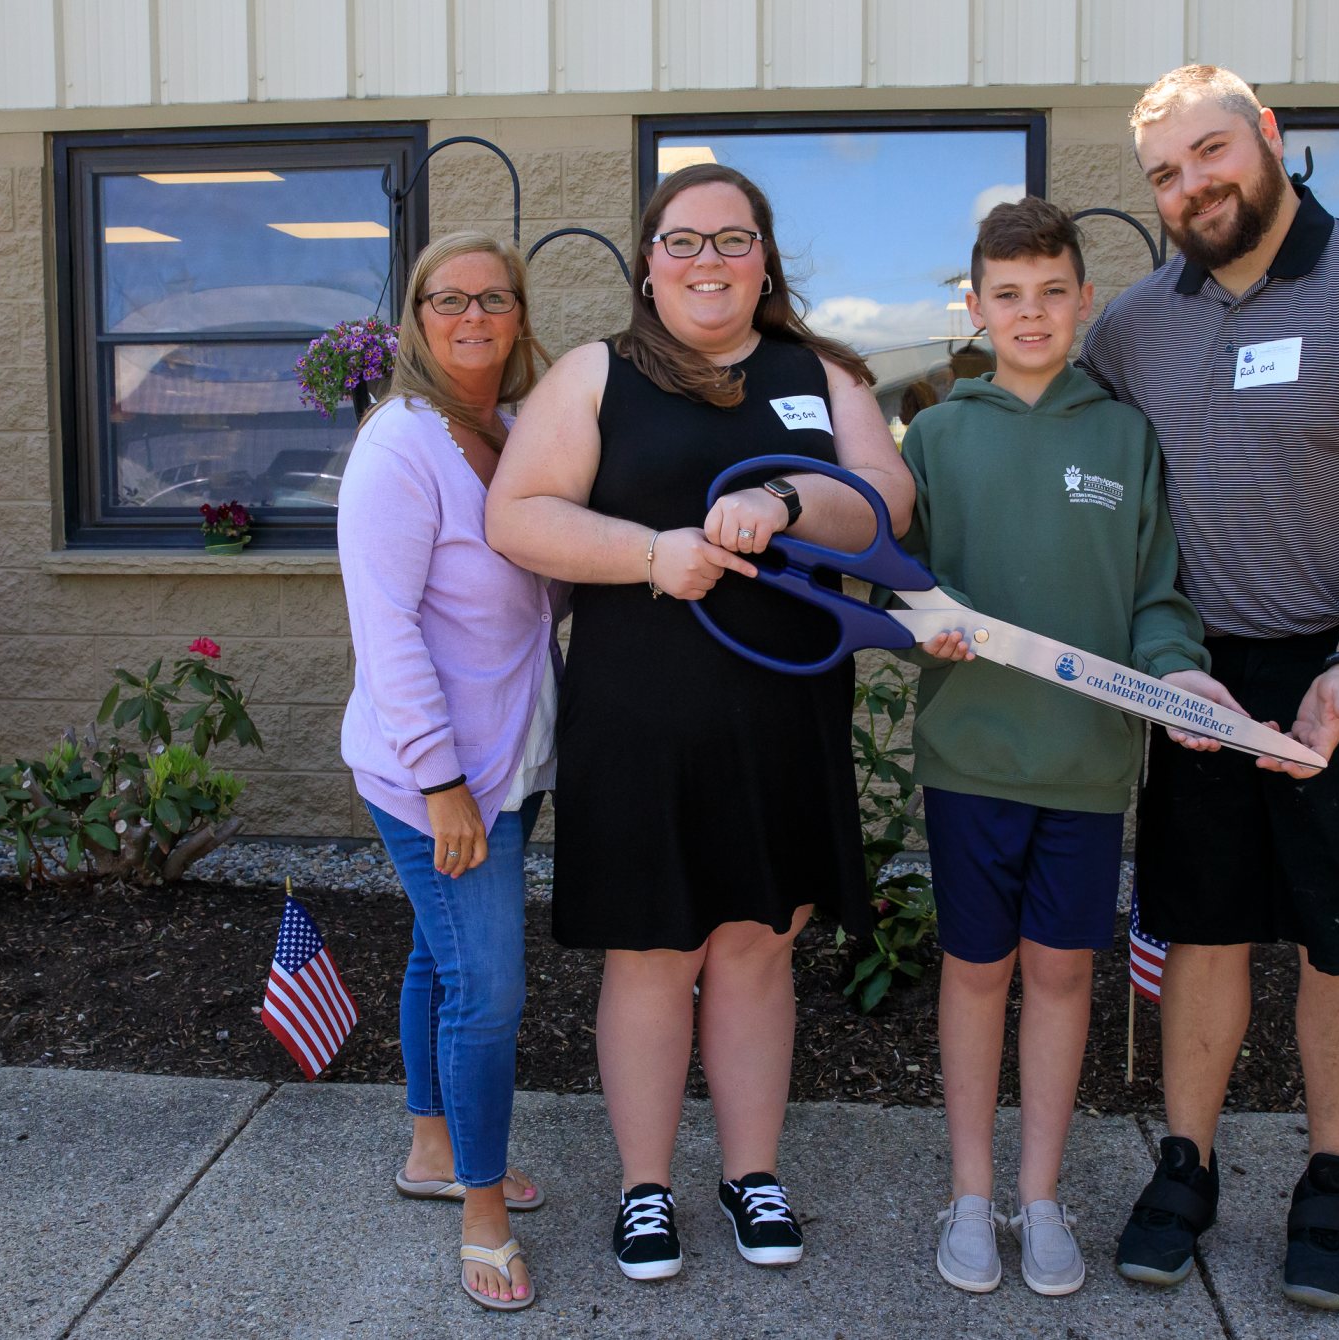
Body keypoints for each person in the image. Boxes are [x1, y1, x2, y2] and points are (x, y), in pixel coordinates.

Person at [1079, 65, 1339, 1311]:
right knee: (1198, 920)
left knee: (1336, 930)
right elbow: (1073, 458)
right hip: (1195, 671)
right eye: (1163, 173)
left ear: (1266, 138)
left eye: (1209, 153)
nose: (1190, 186)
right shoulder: (1135, 324)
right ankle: (1186, 1162)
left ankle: (1328, 1178)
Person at [486, 163, 913, 1282]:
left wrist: (778, 502)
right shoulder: (596, 374)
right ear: (646, 262)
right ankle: (644, 1186)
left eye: (732, 240)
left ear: (765, 259)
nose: (708, 261)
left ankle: (751, 1170)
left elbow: (883, 499)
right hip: (640, 711)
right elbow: (516, 513)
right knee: (651, 949)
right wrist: (646, 551)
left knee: (757, 942)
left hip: (781, 707)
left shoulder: (817, 374)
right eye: (683, 241)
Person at [896, 196, 1243, 1299]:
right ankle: (967, 1190)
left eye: (1052, 292)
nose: (1031, 312)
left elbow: (1155, 596)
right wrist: (921, 617)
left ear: (1083, 300)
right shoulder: (938, 434)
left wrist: (1176, 667)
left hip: (1089, 765)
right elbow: (898, 588)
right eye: (1007, 295)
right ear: (975, 305)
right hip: (969, 760)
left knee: (1057, 973)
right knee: (975, 968)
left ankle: (1037, 1195)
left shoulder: (1121, 433)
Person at [337, 231, 564, 1313]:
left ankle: (432, 1144)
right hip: (431, 776)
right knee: (488, 987)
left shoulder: (514, 429)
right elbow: (384, 629)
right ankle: (481, 1209)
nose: (471, 316)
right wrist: (440, 782)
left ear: (519, 314)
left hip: (506, 762)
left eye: (493, 298)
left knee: (442, 956)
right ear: (415, 317)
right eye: (447, 298)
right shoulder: (401, 443)